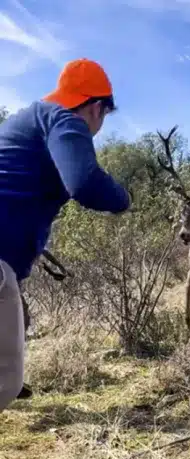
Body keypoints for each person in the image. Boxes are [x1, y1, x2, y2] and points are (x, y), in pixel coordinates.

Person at [0, 58, 131, 411]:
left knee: (16, 323)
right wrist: (123, 198)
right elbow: (85, 183)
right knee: (6, 382)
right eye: (103, 115)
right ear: (96, 108)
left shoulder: (28, 118)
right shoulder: (65, 120)